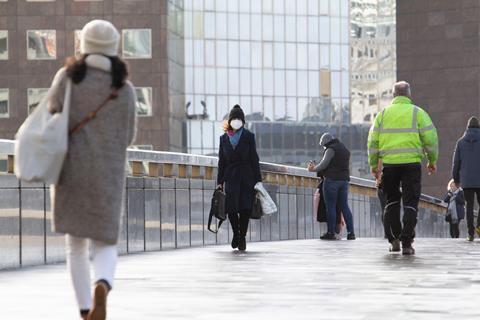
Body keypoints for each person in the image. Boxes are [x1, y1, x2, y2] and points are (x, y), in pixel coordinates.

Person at [49, 20, 137, 320]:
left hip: (71, 171)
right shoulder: (124, 89)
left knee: (75, 245)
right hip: (108, 176)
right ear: (114, 48)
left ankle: (86, 309)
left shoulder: (68, 78)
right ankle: (103, 283)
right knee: (105, 241)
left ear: (83, 45)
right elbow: (129, 137)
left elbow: (52, 112)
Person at [368, 81, 438, 255]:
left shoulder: (382, 115)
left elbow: (372, 142)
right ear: (409, 95)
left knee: (391, 202)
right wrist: (431, 160)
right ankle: (407, 243)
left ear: (393, 95)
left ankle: (394, 240)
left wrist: (374, 164)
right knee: (410, 202)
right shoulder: (418, 113)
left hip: (390, 165)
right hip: (412, 165)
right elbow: (430, 139)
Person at [217, 105, 262, 251]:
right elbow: (221, 161)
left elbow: (254, 159)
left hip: (247, 177)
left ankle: (242, 237)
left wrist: (258, 180)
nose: (236, 121)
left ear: (243, 121)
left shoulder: (249, 136)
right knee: (231, 209)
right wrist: (219, 182)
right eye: (234, 118)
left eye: (239, 119)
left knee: (245, 208)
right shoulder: (223, 139)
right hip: (230, 177)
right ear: (230, 121)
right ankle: (236, 233)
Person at [308, 133, 355, 240]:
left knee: (331, 207)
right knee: (344, 206)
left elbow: (323, 164)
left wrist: (313, 169)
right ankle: (351, 233)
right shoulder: (344, 149)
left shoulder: (330, 149)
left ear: (326, 142)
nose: (324, 147)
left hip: (332, 181)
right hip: (344, 181)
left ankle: (331, 232)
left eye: (323, 145)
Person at [452, 116, 480, 241]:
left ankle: (470, 233)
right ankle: (479, 226)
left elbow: (456, 163)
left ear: (467, 128)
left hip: (467, 180)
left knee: (469, 205)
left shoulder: (460, 142)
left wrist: (456, 179)